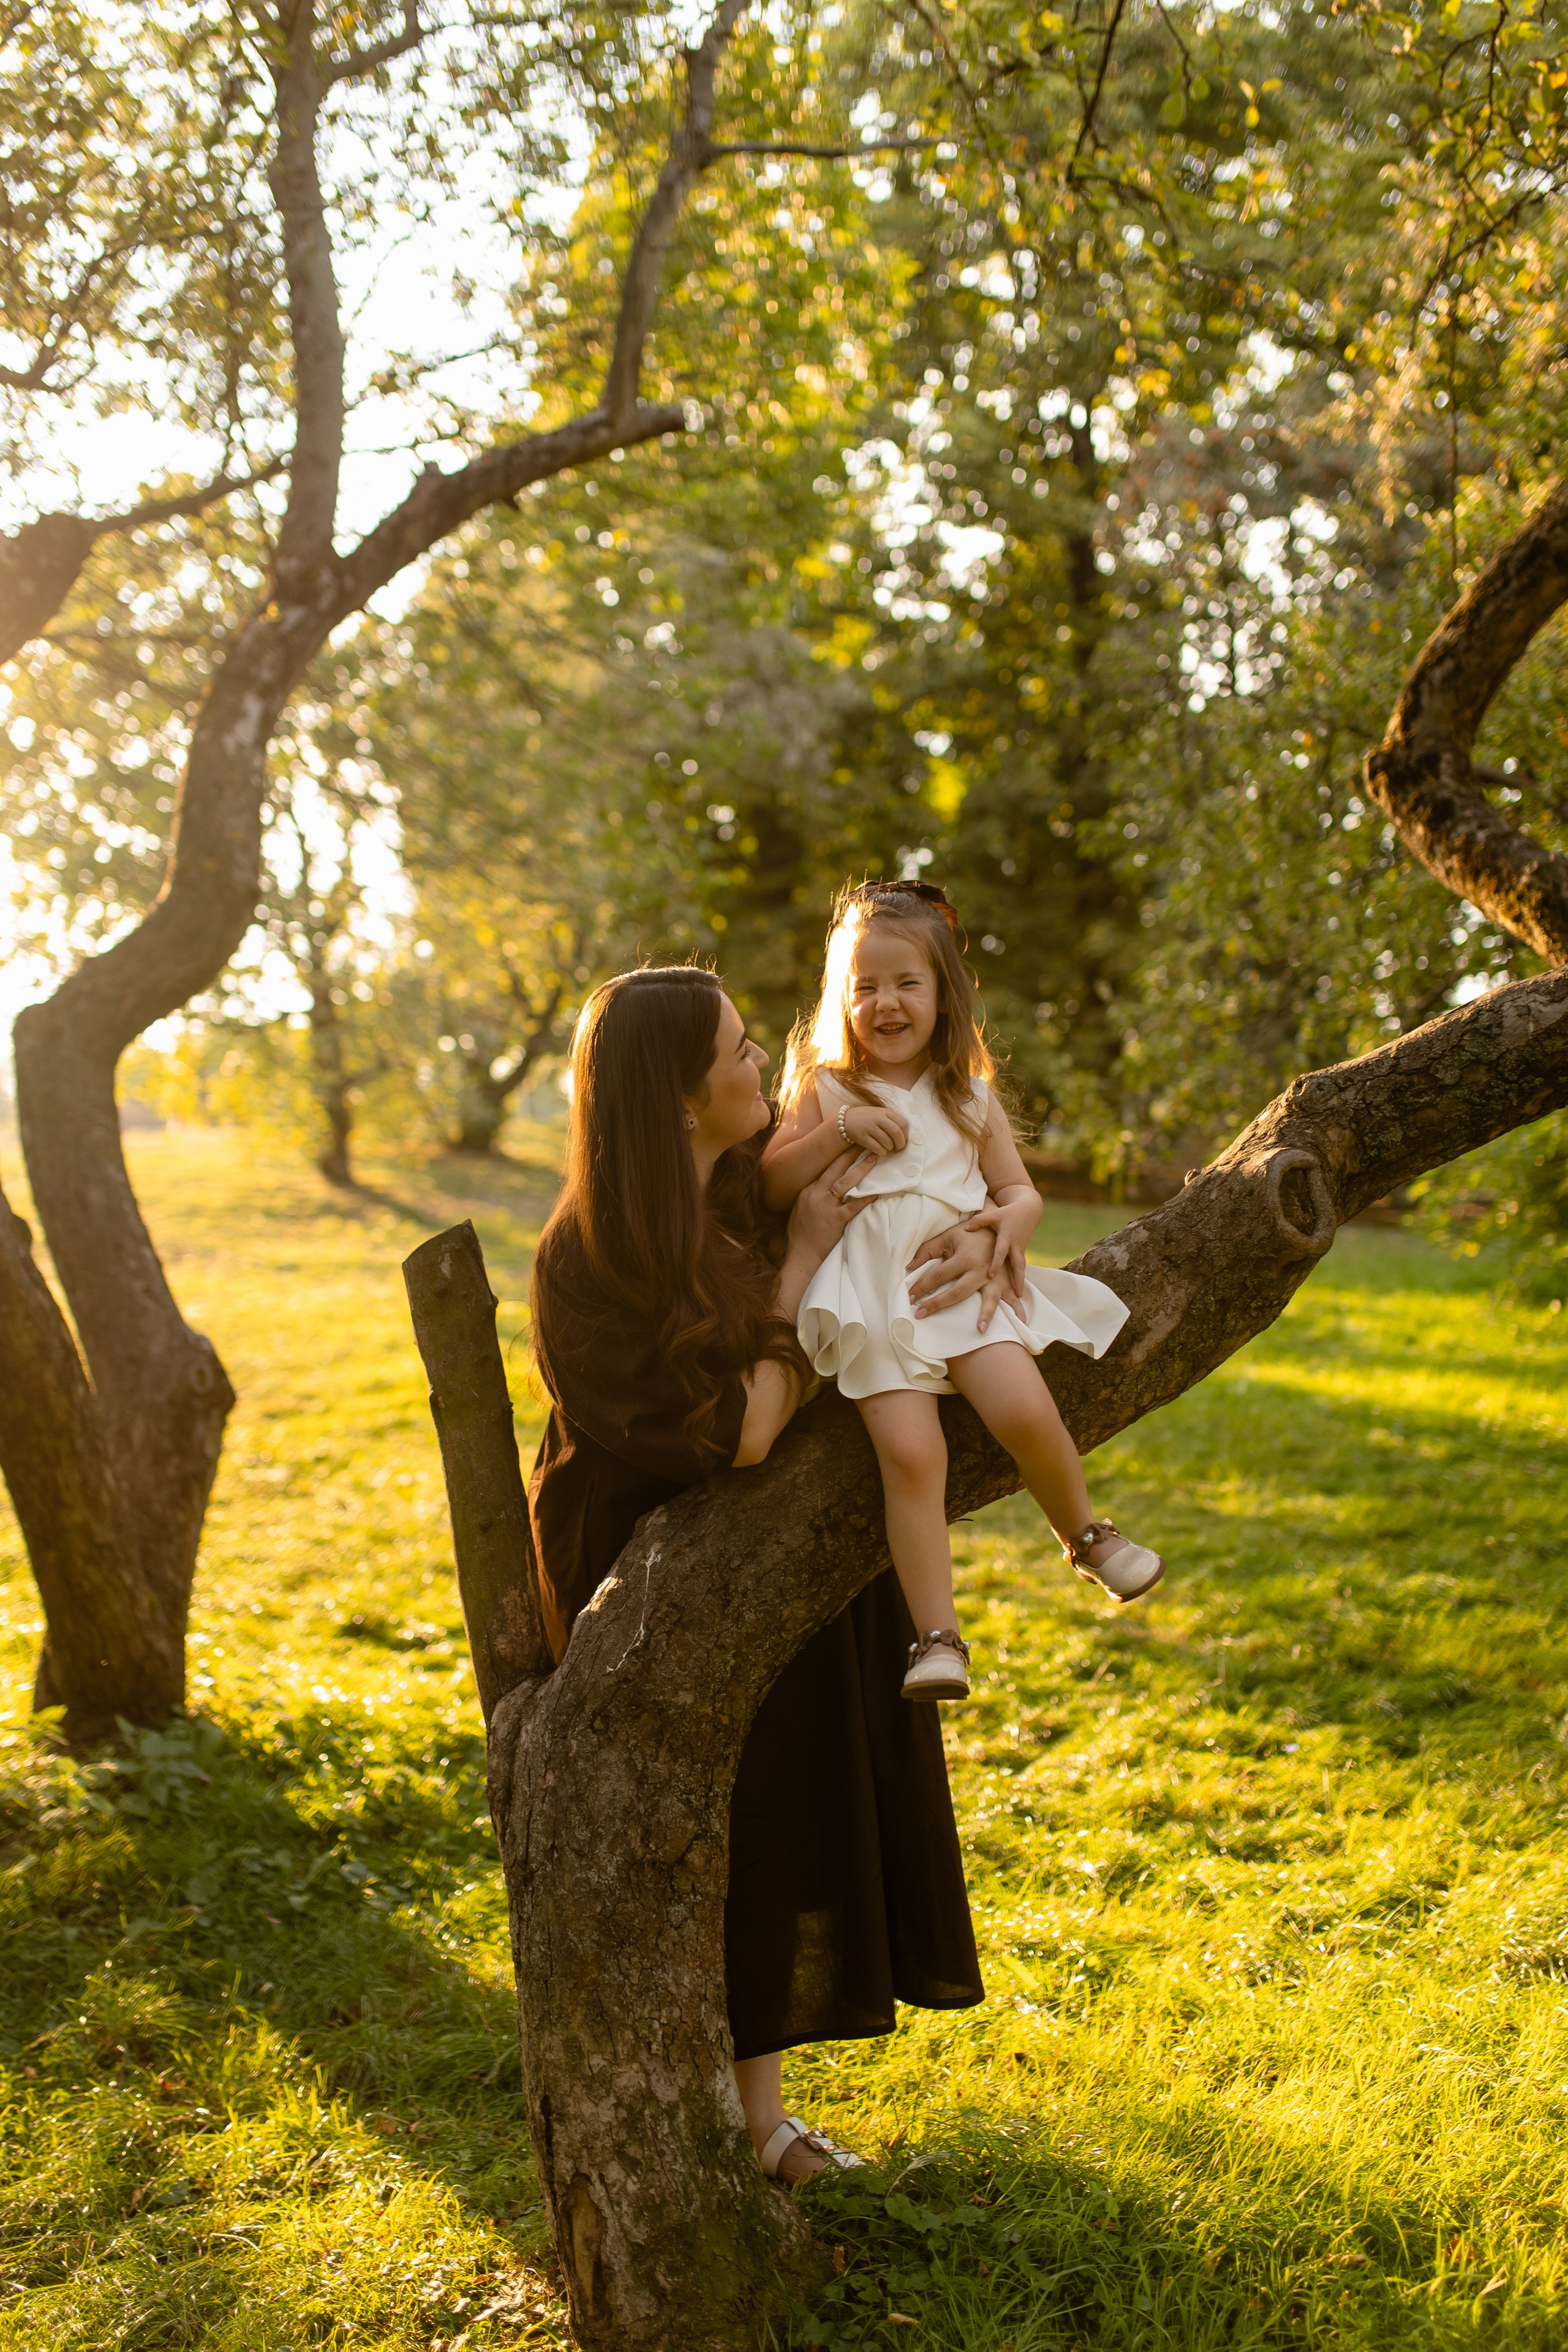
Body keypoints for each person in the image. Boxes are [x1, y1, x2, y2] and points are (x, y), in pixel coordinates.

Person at [527, 965, 999, 2185]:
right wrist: (797, 1269)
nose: (759, 1069)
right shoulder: (588, 1256)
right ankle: (746, 2121)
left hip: (744, 1541)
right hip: (640, 1583)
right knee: (738, 1800)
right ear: (681, 1100)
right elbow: (739, 1429)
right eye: (740, 1053)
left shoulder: (729, 1185)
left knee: (795, 1784)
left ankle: (762, 2119)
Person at [761, 881, 1165, 1705]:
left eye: (907, 983)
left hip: (958, 1286)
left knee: (1021, 1408)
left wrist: (1006, 1228)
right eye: (865, 985)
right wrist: (836, 1133)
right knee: (911, 1456)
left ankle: (1085, 1534)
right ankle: (937, 1638)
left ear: (944, 996)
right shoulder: (827, 1089)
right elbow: (770, 1184)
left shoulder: (967, 1097)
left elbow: (1019, 1193)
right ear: (843, 995)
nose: (885, 1002)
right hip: (874, 1296)